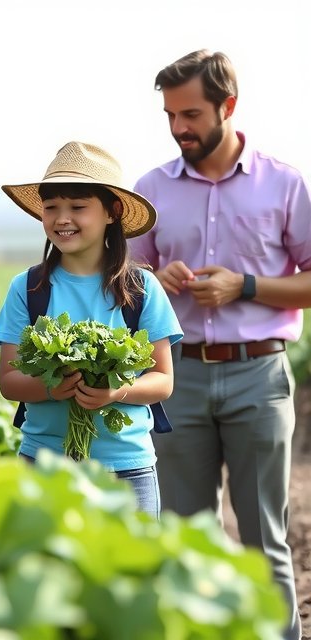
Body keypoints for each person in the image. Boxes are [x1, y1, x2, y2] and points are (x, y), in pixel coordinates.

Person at [128, 49, 311, 639]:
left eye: (191, 115)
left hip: (260, 376)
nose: (179, 128)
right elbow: (124, 279)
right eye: (170, 116)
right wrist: (156, 281)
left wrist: (246, 286)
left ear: (227, 107)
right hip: (177, 377)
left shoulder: (284, 184)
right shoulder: (151, 188)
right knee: (185, 533)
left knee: (265, 538)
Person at [0, 141, 182, 517]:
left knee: (130, 572)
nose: (62, 219)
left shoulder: (141, 289)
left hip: (127, 468)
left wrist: (116, 390)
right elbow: (8, 381)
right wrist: (51, 386)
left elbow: (163, 380)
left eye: (77, 207)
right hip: (44, 463)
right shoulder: (28, 288)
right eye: (51, 208)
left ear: (112, 213)